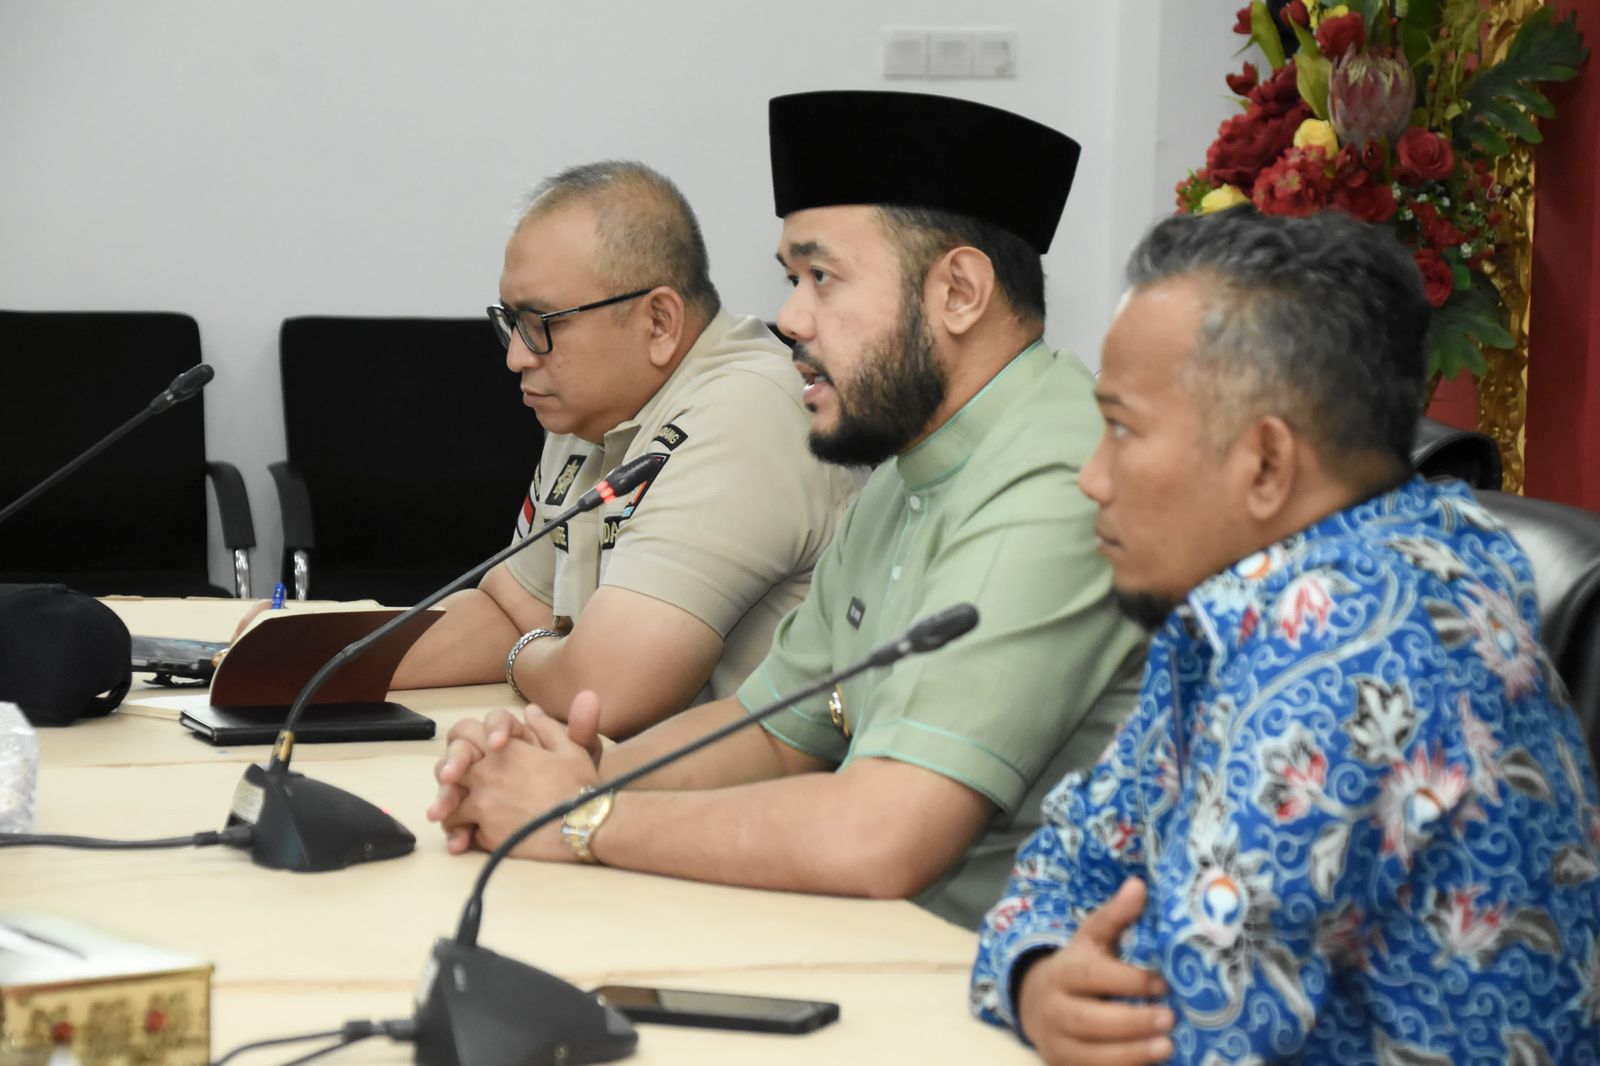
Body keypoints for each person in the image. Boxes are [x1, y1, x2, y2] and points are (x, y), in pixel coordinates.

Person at [426, 90, 1148, 929]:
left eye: (822, 278)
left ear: (958, 291)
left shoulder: (1061, 477)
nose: (791, 318)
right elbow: (770, 732)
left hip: (988, 977)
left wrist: (582, 819)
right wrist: (571, 779)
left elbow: (883, 835)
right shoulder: (904, 475)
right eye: (790, 279)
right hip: (868, 942)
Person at [971, 206, 1600, 1064]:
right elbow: (1070, 857)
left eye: (1121, 429)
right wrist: (1040, 974)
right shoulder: (1264, 599)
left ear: (1266, 463)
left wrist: (1057, 992)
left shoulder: (1352, 650)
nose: (1093, 478)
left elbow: (1190, 1031)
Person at [387, 161, 860, 739]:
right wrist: (304, 669)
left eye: (540, 322)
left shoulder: (749, 407)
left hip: (745, 786)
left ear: (658, 321)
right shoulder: (590, 407)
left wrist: (524, 652)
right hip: (627, 771)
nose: (516, 356)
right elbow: (506, 608)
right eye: (510, 321)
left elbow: (604, 692)